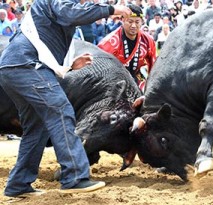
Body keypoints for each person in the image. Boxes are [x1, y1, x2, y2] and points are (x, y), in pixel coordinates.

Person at [0, 0, 131, 198]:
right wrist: (111, 9)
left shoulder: (55, 10)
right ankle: (75, 177)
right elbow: (69, 12)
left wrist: (70, 65)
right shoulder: (60, 3)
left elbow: (48, 40)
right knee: (61, 111)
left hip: (17, 66)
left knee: (37, 127)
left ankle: (18, 184)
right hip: (26, 65)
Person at [98, 4, 157, 92]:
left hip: (138, 78)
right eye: (130, 21)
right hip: (114, 81)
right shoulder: (109, 43)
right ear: (122, 20)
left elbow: (153, 67)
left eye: (137, 22)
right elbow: (100, 70)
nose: (133, 25)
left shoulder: (148, 41)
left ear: (142, 22)